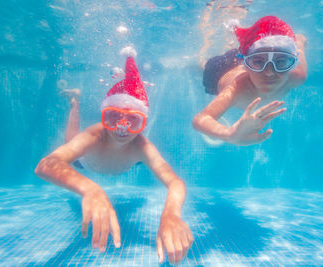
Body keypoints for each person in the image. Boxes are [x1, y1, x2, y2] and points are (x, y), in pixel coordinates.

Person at [35, 51, 193, 264]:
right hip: (86, 163)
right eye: (113, 117)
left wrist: (172, 213)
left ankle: (78, 101)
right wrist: (90, 189)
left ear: (143, 123)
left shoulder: (141, 146)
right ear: (104, 116)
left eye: (133, 121)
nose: (122, 128)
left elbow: (175, 182)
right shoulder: (95, 135)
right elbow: (46, 164)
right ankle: (75, 102)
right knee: (70, 143)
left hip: (126, 163)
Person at [193, 15, 308, 146]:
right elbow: (200, 119)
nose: (269, 72)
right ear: (245, 65)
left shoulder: (298, 76)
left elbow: (300, 43)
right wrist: (230, 134)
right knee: (203, 65)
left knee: (252, 51)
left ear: (292, 63)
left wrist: (299, 40)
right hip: (219, 70)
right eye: (259, 62)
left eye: (281, 62)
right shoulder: (237, 89)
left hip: (249, 55)